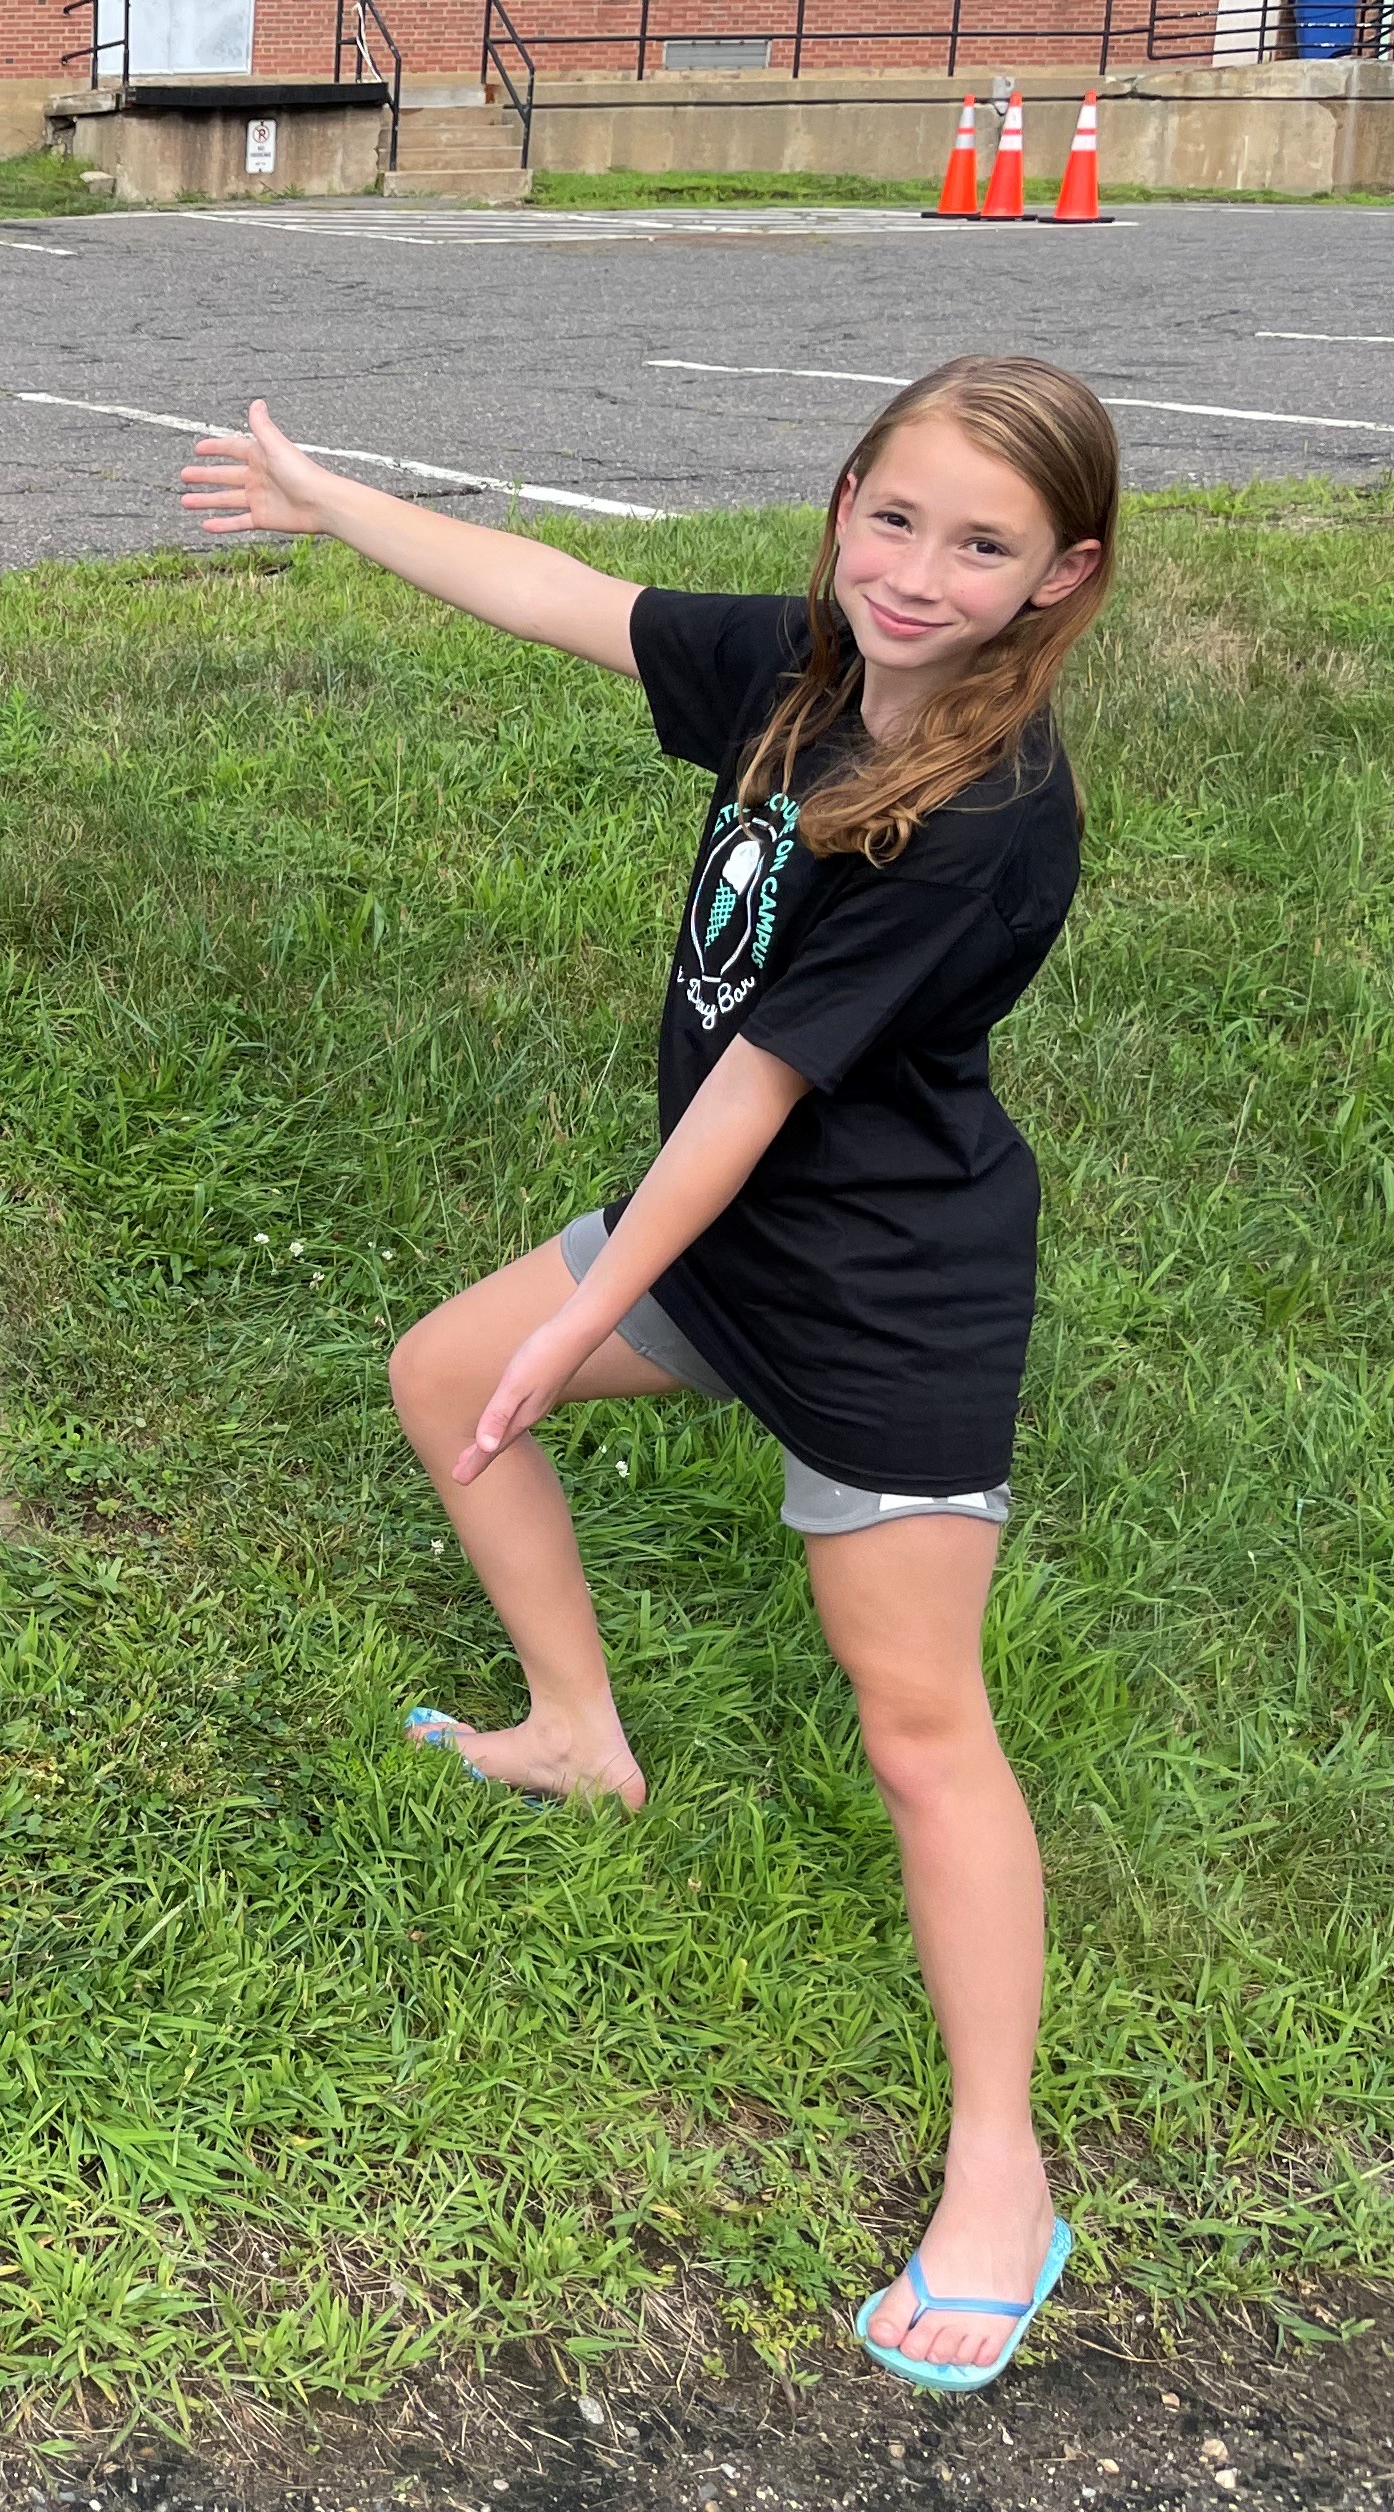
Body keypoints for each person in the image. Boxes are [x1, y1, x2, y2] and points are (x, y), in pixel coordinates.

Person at [180, 359, 1114, 2397]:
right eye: (896, 518)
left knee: (918, 1723)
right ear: (844, 503)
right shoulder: (805, 673)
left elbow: (761, 1086)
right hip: (745, 1230)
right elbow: (553, 591)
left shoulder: (985, 816)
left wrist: (591, 1317)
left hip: (880, 1292)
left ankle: (1002, 2169)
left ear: (1063, 580)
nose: (921, 574)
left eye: (982, 547)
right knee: (450, 1379)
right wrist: (330, 497)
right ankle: (577, 1734)